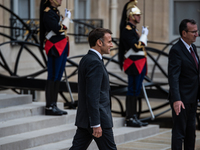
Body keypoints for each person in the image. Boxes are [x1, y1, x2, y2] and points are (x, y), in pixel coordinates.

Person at [70, 28, 117, 150]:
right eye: (109, 41)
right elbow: (92, 95)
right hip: (98, 119)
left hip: (86, 119)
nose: (111, 45)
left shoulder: (87, 59)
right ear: (99, 43)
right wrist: (96, 124)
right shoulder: (94, 62)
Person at [168, 19, 200, 150]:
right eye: (193, 32)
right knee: (179, 133)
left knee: (191, 133)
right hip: (181, 100)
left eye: (197, 31)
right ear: (184, 33)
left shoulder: (193, 48)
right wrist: (176, 99)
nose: (197, 34)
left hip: (193, 98)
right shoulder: (176, 50)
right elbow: (173, 77)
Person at [118, 1, 148, 127]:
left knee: (136, 91)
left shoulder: (134, 30)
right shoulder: (127, 30)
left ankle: (134, 116)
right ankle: (129, 118)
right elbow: (136, 47)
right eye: (137, 15)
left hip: (139, 63)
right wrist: (144, 37)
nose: (139, 17)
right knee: (132, 90)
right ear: (130, 16)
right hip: (133, 64)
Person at [40, 0, 70, 115]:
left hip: (61, 46)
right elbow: (58, 29)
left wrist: (65, 18)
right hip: (54, 47)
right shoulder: (48, 13)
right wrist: (66, 20)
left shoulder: (55, 11)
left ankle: (54, 104)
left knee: (58, 76)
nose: (60, 0)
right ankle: (49, 106)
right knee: (52, 76)